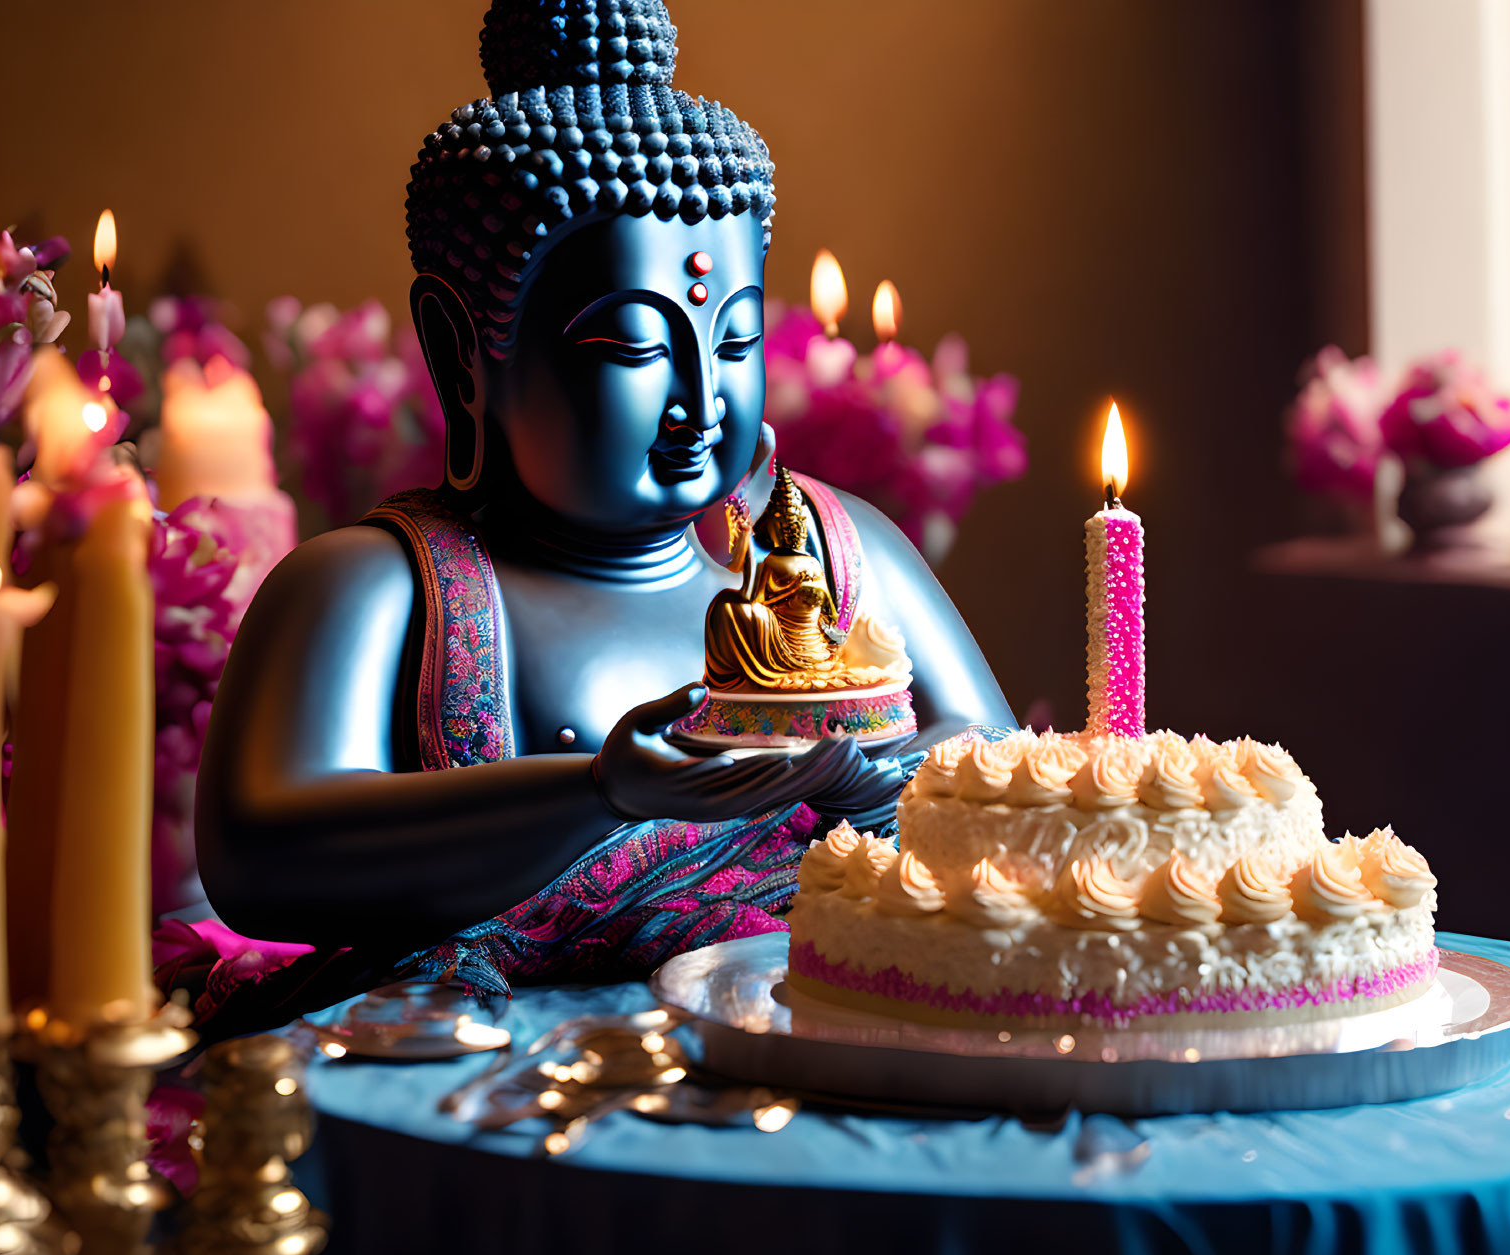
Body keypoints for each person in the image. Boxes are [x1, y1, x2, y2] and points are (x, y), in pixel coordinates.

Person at [193, 0, 1014, 1005]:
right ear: (462, 358)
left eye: (736, 338)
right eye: (632, 345)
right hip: (493, 1092)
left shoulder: (839, 553)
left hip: (814, 1042)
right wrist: (597, 794)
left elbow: (1003, 767)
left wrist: (865, 779)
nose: (697, 396)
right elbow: (259, 859)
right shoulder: (379, 586)